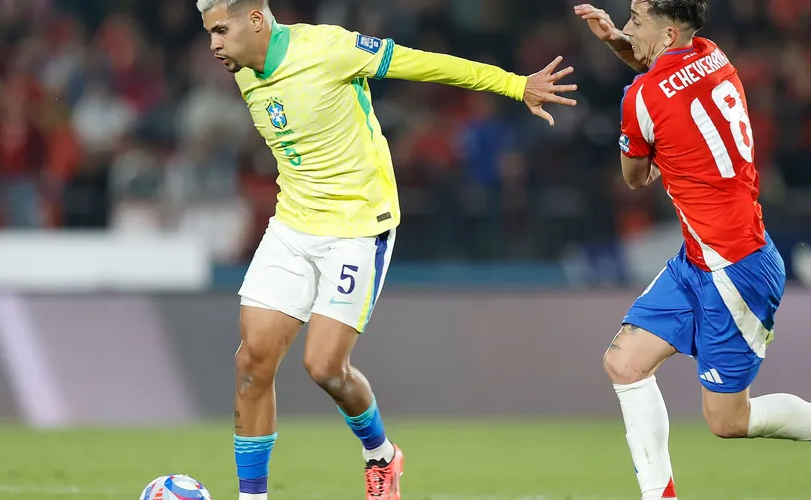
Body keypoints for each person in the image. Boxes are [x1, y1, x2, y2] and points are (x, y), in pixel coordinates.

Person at [196, 1, 578, 499]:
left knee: (324, 367)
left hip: (358, 226)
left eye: (221, 30)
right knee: (251, 363)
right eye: (208, 34)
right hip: (293, 225)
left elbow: (426, 64)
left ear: (255, 20)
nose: (213, 45)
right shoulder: (244, 68)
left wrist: (515, 84)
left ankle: (381, 455)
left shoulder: (328, 48)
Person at [574, 2, 811, 498]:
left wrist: (647, 138)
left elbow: (635, 177)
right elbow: (662, 79)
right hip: (703, 256)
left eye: (635, 21)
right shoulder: (712, 55)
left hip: (735, 269)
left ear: (666, 32)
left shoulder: (638, 97)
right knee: (625, 363)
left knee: (728, 419)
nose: (626, 27)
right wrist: (617, 43)